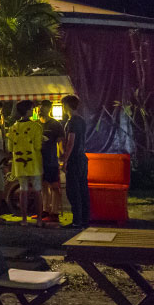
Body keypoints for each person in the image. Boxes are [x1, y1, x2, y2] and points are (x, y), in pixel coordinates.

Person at [6, 100, 45, 227]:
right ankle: (39, 219)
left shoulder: (13, 128)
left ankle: (24, 219)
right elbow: (38, 146)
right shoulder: (36, 127)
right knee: (37, 190)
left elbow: (10, 148)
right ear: (28, 110)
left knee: (23, 190)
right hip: (33, 162)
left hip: (18, 163)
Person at [60, 95, 89, 229]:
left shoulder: (72, 122)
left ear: (66, 106)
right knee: (83, 190)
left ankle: (76, 221)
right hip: (82, 158)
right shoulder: (82, 121)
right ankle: (84, 220)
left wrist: (64, 160)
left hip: (74, 160)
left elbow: (71, 142)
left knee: (73, 191)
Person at [38, 99, 64, 224]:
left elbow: (60, 142)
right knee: (43, 186)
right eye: (40, 107)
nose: (41, 109)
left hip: (51, 159)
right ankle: (45, 209)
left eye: (44, 107)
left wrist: (62, 157)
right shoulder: (37, 124)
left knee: (54, 186)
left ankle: (55, 212)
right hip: (39, 160)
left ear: (49, 109)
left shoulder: (55, 124)